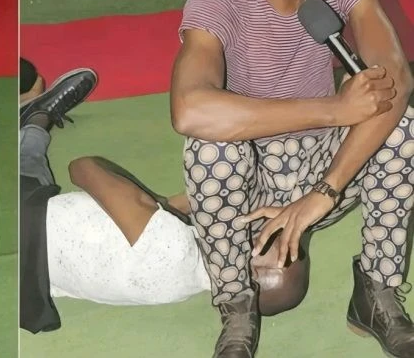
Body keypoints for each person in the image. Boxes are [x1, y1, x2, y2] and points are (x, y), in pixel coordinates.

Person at [171, 0, 414, 356]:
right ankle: (235, 306)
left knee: (401, 123)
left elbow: (396, 80)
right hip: (251, 179)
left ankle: (376, 292)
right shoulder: (216, 2)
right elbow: (189, 109)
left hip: (328, 164)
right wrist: (335, 109)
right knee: (210, 146)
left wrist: (324, 191)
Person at [18, 63, 309, 335]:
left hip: (27, 222)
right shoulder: (181, 287)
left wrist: (152, 200)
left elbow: (82, 168)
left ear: (252, 269)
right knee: (31, 161)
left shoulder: (174, 244)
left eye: (274, 242)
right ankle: (37, 118)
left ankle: (34, 115)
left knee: (24, 75)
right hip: (33, 282)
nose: (269, 231)